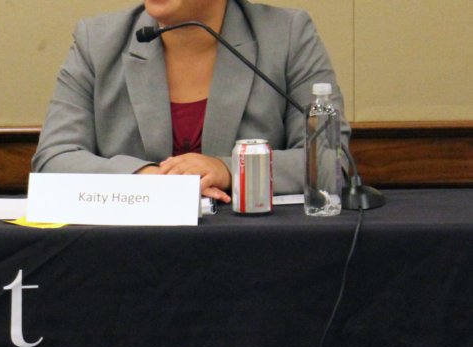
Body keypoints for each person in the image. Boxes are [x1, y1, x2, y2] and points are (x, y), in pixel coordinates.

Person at [32, 0, 351, 202]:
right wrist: (149, 180)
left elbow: (329, 161)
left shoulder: (287, 35)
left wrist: (228, 171)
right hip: (126, 252)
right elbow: (53, 159)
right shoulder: (97, 41)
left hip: (252, 252)